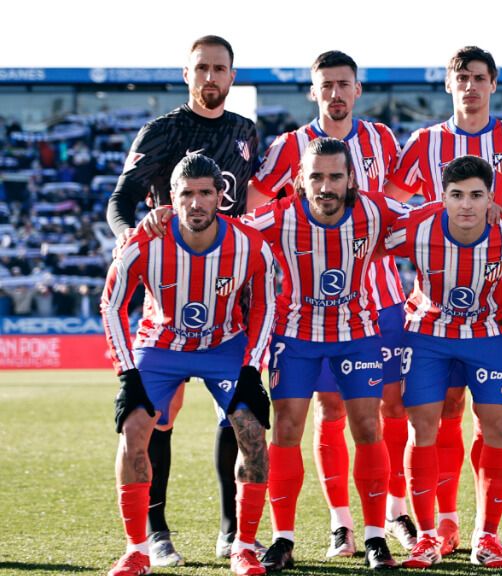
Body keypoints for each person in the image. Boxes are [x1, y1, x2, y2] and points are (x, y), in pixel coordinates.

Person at [248, 50, 417, 556]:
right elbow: (258, 207)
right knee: (327, 408)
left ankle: (393, 511)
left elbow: (392, 206)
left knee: (390, 409)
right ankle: (341, 522)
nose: (336, 93)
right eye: (327, 85)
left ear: (357, 89)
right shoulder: (289, 146)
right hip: (307, 308)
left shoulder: (383, 139)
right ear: (313, 91)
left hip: (378, 299)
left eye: (345, 84)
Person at [104, 35, 262, 564]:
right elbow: (120, 201)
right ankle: (156, 531)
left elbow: (251, 206)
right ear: (187, 74)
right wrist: (136, 238)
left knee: (237, 418)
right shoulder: (163, 131)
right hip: (168, 297)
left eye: (220, 69)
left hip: (229, 296)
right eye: (202, 69)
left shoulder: (245, 133)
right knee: (157, 416)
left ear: (232, 76)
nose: (211, 78)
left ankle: (230, 530)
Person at [385, 46, 502, 556]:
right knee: (437, 416)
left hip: (496, 309)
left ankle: (486, 532)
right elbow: (389, 200)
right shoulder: (424, 141)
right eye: (462, 77)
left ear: (493, 84)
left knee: (491, 423)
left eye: (479, 77)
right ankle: (442, 524)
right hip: (430, 315)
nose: (470, 86)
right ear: (449, 84)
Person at [100, 154, 275, 576]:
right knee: (135, 427)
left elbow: (267, 306)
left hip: (224, 345)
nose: (196, 203)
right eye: (186, 194)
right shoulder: (142, 243)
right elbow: (111, 305)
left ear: (220, 196)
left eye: (204, 193)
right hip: (160, 345)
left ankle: (244, 546)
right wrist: (127, 375)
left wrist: (252, 369)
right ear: (170, 199)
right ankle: (137, 549)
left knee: (250, 428)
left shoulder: (249, 243)